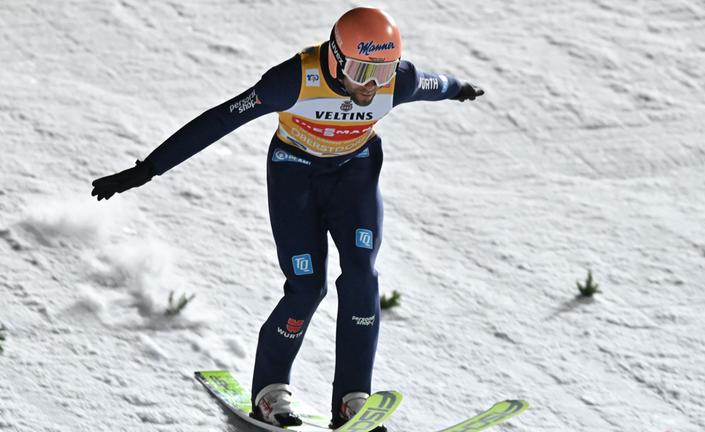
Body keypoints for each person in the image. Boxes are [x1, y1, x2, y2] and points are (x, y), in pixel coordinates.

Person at [91, 7, 484, 431]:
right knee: (306, 287)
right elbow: (223, 118)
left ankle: (354, 400)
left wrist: (460, 88)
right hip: (295, 175)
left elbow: (436, 83)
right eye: (358, 69)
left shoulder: (398, 81)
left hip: (354, 176)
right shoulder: (294, 79)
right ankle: (270, 391)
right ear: (334, 57)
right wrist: (148, 167)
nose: (370, 85)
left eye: (382, 71)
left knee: (361, 278)